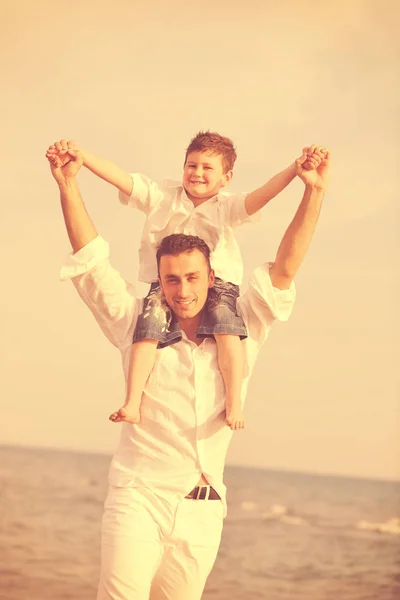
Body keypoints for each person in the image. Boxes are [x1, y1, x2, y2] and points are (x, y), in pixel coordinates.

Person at [47, 140, 330, 600]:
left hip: (203, 511)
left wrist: (312, 192)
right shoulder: (137, 322)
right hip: (138, 498)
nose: (182, 289)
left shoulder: (241, 329)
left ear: (212, 277)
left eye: (193, 277)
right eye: (171, 279)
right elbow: (91, 264)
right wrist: (68, 186)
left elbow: (285, 268)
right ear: (159, 279)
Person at [46, 133, 323, 431]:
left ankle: (234, 402)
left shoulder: (226, 207)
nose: (197, 173)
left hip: (220, 287)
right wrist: (83, 158)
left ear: (226, 178)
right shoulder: (162, 196)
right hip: (160, 285)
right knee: (145, 334)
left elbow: (263, 194)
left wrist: (296, 171)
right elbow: (121, 179)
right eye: (191, 165)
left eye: (207, 168)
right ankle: (132, 401)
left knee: (229, 336)